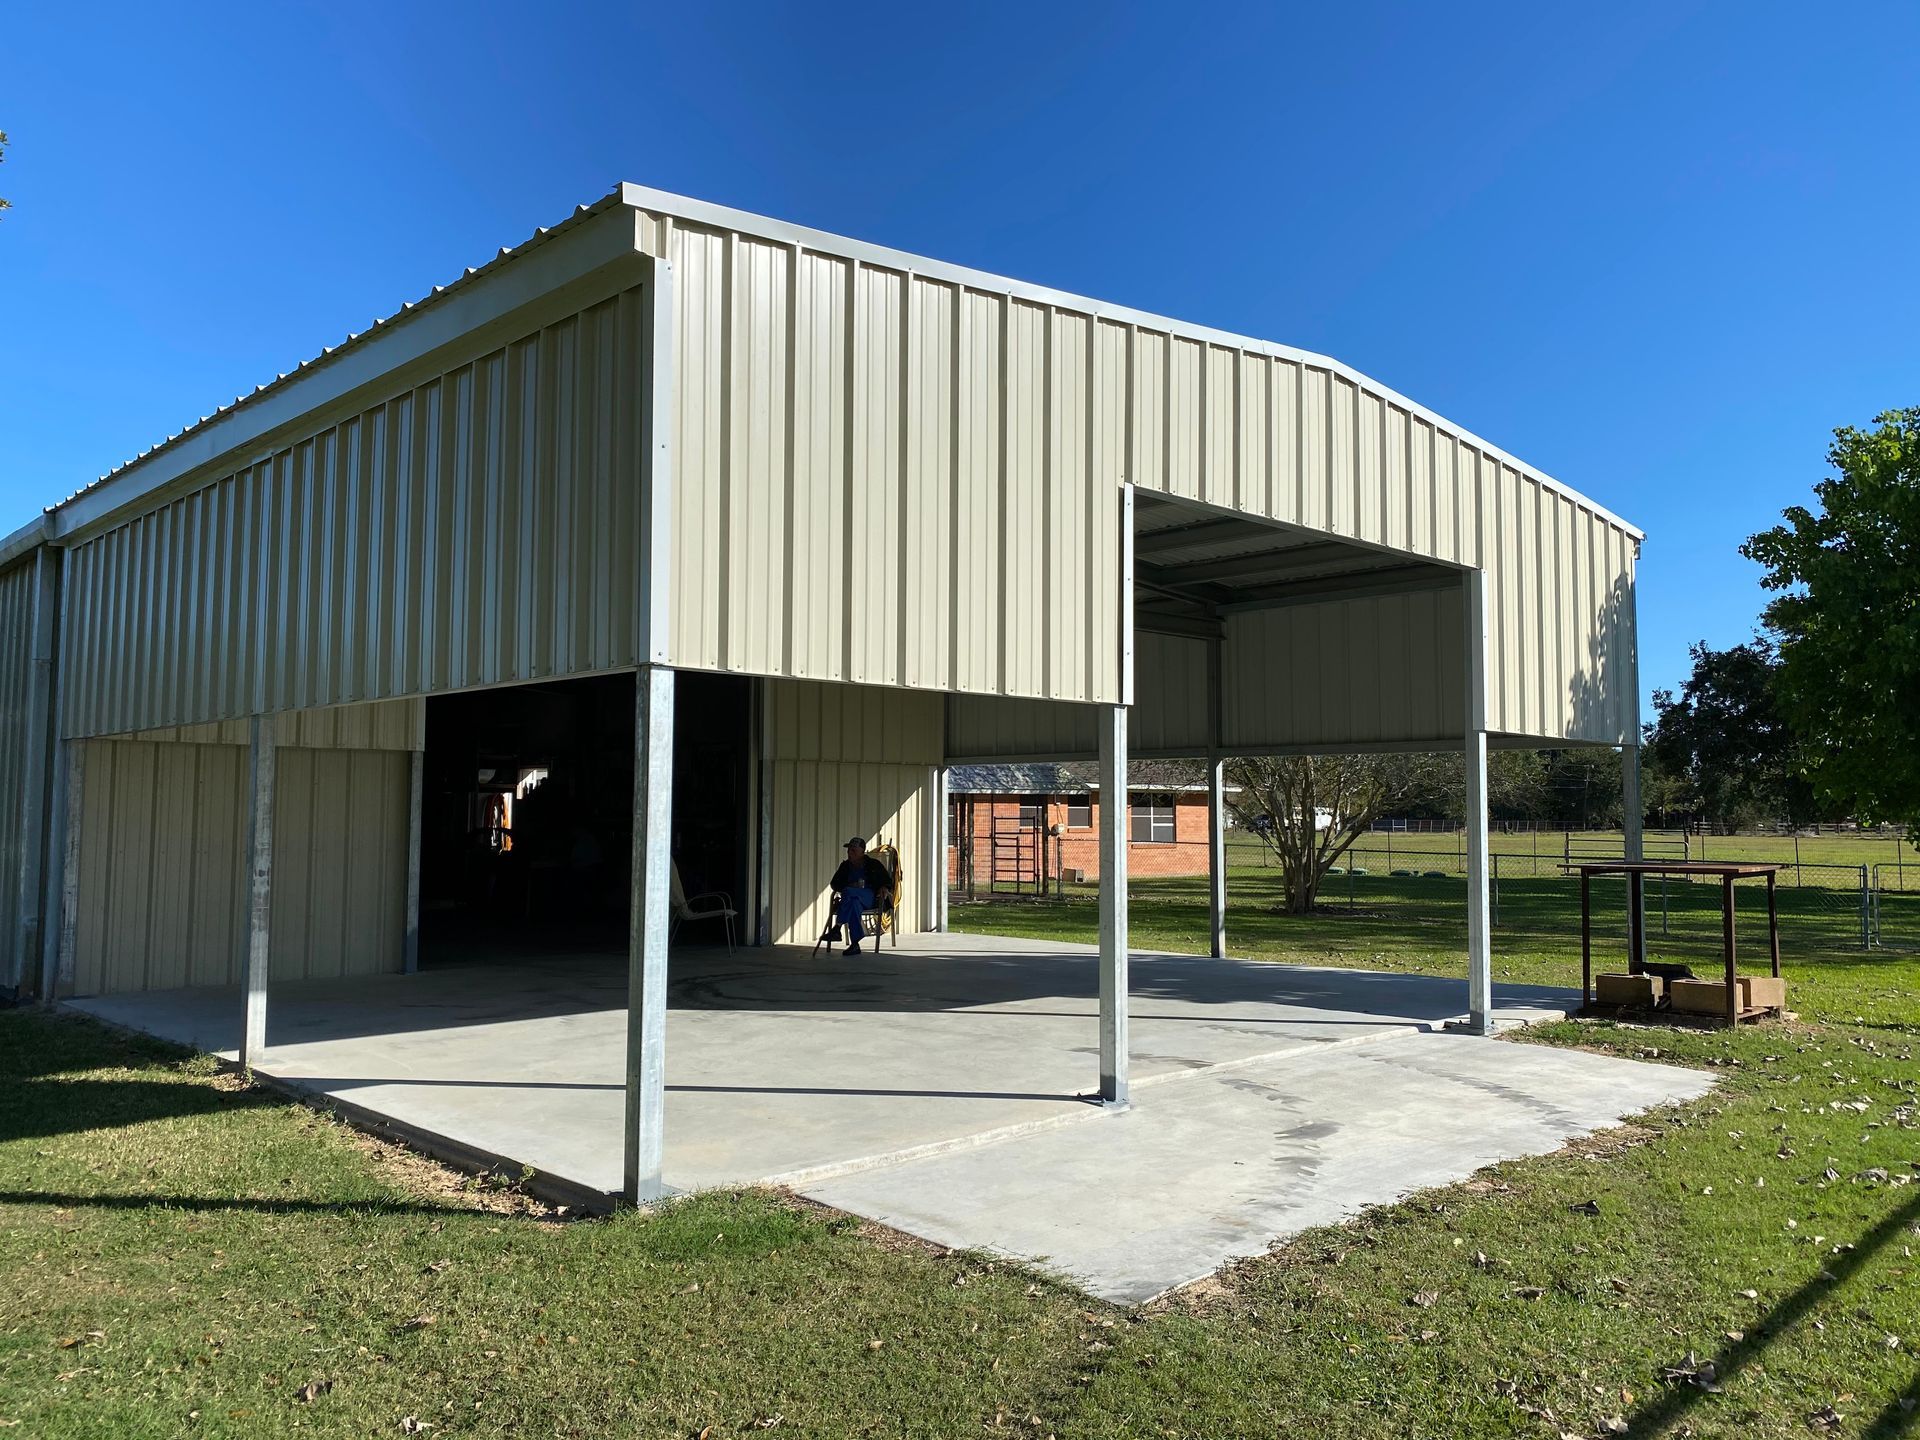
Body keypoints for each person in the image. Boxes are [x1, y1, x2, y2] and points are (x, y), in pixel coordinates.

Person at [826, 836, 893, 956]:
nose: (850, 853)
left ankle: (837, 927)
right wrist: (850, 885)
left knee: (848, 892)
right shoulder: (845, 866)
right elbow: (834, 883)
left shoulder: (873, 864)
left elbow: (887, 881)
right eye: (849, 850)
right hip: (852, 899)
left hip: (869, 896)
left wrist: (884, 887)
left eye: (853, 850)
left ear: (862, 852)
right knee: (853, 904)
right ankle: (855, 944)